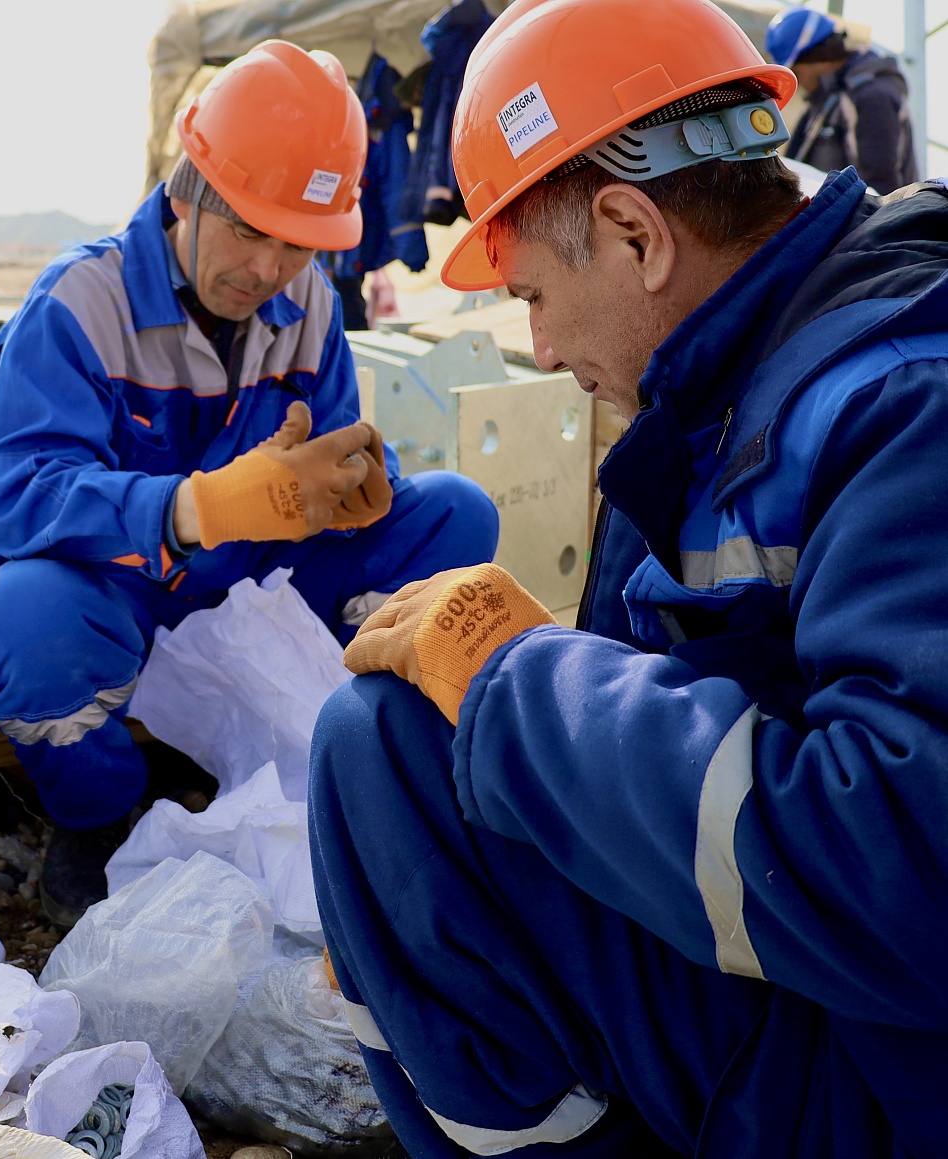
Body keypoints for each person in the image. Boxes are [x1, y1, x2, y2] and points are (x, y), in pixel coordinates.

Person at [309, 0, 948, 1154]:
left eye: (536, 298)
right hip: (835, 1021)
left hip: (897, 1075)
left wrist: (516, 678)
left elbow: (909, 867)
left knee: (384, 748)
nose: (541, 349)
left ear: (636, 231)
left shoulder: (905, 403)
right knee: (402, 787)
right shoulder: (724, 395)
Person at [0, 40, 499, 927]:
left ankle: (337, 754)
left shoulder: (311, 303)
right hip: (121, 591)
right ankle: (99, 815)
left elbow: (334, 448)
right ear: (186, 191)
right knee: (19, 624)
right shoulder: (79, 304)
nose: (269, 270)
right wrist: (198, 506)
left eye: (299, 246)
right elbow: (25, 499)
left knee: (454, 517)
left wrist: (361, 484)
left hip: (251, 584)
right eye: (250, 230)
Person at [766, 7, 918, 194]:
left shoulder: (872, 99)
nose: (798, 84)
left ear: (819, 59)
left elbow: (881, 192)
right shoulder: (825, 103)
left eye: (796, 72)